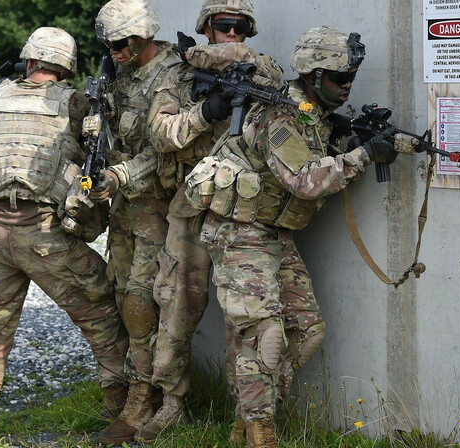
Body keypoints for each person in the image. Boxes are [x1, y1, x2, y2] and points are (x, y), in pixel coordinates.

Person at [185, 26, 397, 447]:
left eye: (351, 76)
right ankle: (262, 434)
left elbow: (318, 151)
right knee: (261, 339)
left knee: (306, 331)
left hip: (270, 234)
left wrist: (360, 141)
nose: (348, 85)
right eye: (340, 78)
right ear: (314, 76)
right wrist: (363, 155)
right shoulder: (281, 115)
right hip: (239, 233)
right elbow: (304, 181)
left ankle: (247, 421)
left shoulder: (310, 114)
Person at [0, 27, 129, 443]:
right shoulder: (77, 103)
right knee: (99, 310)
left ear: (29, 61)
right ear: (65, 68)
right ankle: (117, 401)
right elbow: (102, 153)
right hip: (47, 234)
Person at [135, 0, 275, 444]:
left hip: (242, 215)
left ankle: (246, 415)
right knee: (174, 309)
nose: (232, 37)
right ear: (206, 28)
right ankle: (171, 404)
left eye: (240, 29)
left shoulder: (263, 73)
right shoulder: (180, 74)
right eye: (223, 27)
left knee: (246, 319)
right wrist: (206, 111)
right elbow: (160, 136)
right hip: (191, 208)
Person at [89, 0, 184, 444]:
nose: (115, 52)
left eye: (121, 44)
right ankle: (139, 386)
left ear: (142, 35)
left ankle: (147, 399)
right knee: (122, 291)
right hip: (126, 204)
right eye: (110, 46)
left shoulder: (171, 76)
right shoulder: (123, 74)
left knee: (143, 300)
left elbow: (166, 147)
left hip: (156, 204)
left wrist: (121, 174)